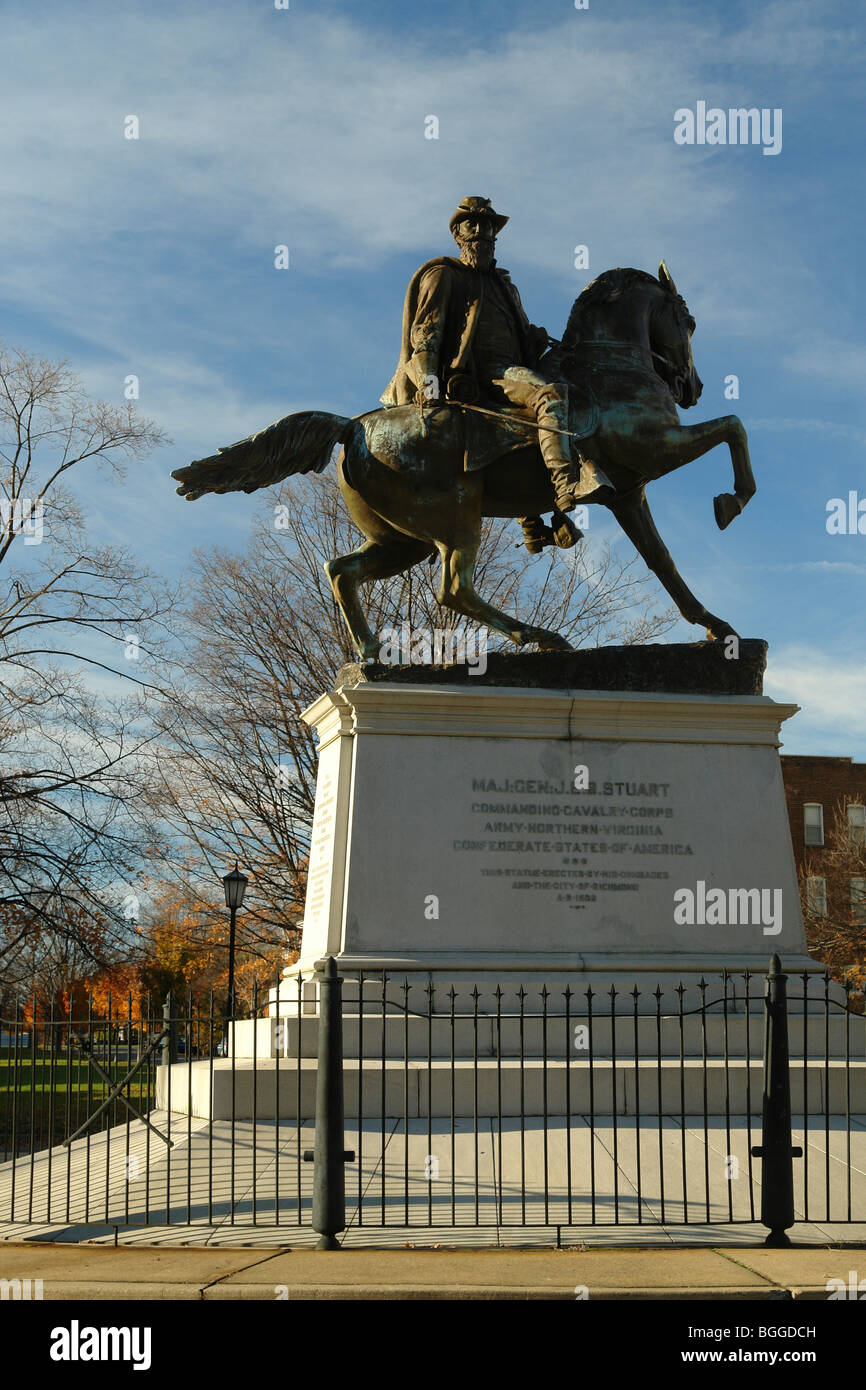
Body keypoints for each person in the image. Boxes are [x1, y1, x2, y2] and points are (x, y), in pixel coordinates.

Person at [382, 196, 598, 553]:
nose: (482, 232)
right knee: (550, 395)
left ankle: (533, 518)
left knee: (571, 388)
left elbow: (519, 337)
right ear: (458, 234)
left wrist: (536, 339)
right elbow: (426, 335)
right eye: (473, 225)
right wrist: (428, 381)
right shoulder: (444, 274)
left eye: (488, 226)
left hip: (513, 368)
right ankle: (565, 488)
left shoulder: (505, 285)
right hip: (480, 373)